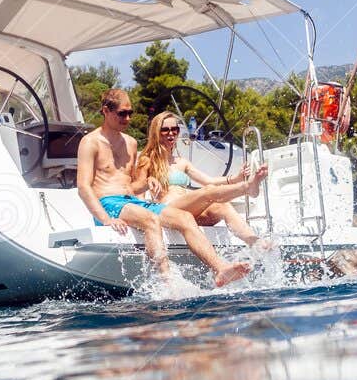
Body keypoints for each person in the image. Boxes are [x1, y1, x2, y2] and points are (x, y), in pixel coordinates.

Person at [74, 90, 254, 287]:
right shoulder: (90, 142)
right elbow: (83, 187)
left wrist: (147, 182)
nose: (128, 118)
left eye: (130, 113)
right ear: (106, 111)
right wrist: (105, 218)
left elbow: (132, 186)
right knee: (151, 220)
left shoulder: (131, 143)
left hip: (132, 202)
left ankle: (220, 269)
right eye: (122, 113)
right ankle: (166, 282)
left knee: (185, 217)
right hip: (108, 203)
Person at [136, 110, 270, 287]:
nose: (171, 133)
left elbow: (209, 180)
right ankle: (248, 189)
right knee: (207, 192)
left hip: (187, 210)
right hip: (166, 210)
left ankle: (255, 242)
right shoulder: (147, 160)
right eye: (165, 130)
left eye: (174, 129)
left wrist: (235, 178)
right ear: (156, 132)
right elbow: (138, 193)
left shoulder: (181, 161)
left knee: (222, 206)